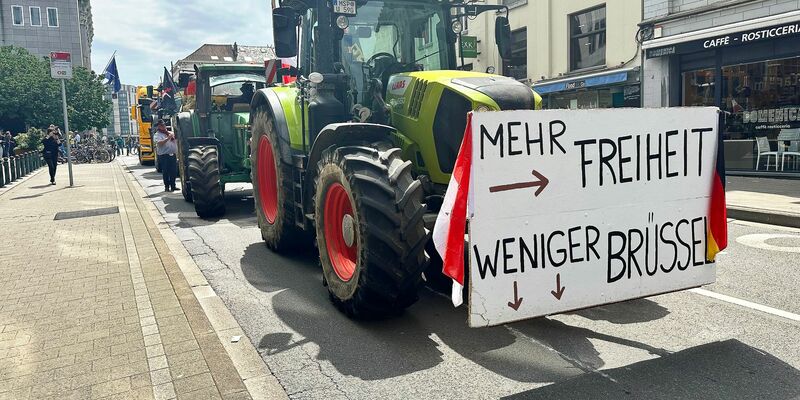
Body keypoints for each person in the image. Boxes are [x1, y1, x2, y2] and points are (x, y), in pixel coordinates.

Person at [154, 119, 178, 192]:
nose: (164, 126)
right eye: (161, 125)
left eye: (164, 125)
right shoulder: (157, 135)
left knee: (173, 171)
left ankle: (173, 186)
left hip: (172, 155)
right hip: (164, 156)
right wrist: (168, 138)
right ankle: (167, 187)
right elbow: (159, 143)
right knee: (166, 171)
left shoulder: (170, 133)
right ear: (158, 127)